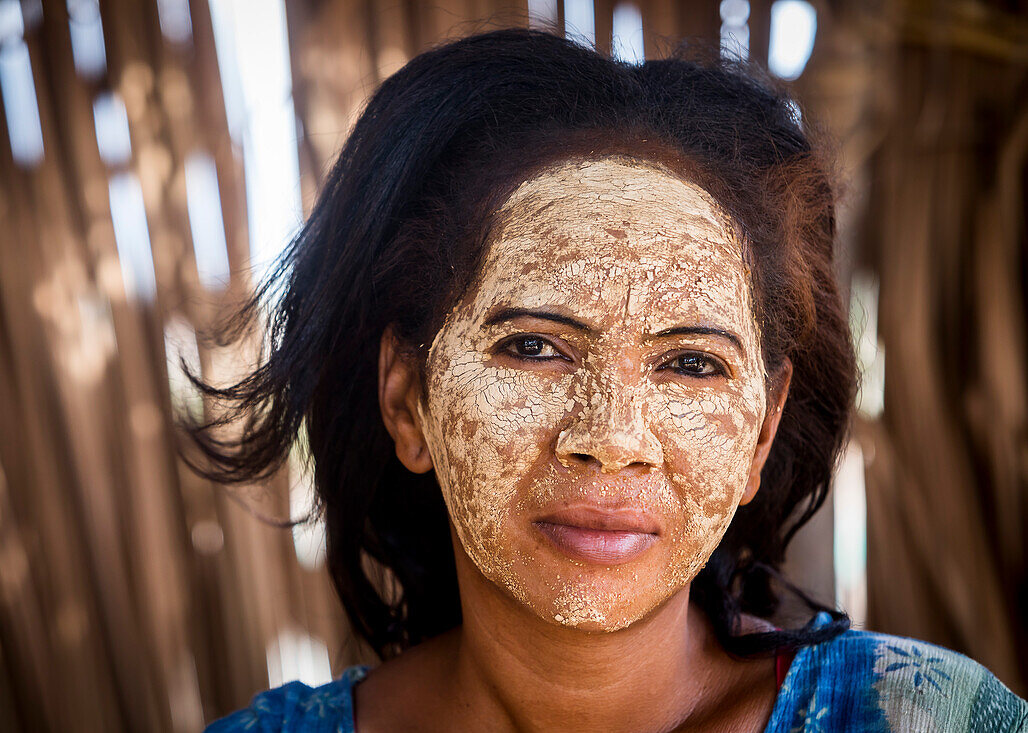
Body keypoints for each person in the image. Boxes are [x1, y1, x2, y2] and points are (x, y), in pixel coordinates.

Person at [196, 29, 1027, 732]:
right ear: (407, 399)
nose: (611, 437)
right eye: (533, 346)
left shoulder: (929, 714)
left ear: (760, 434)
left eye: (692, 362)